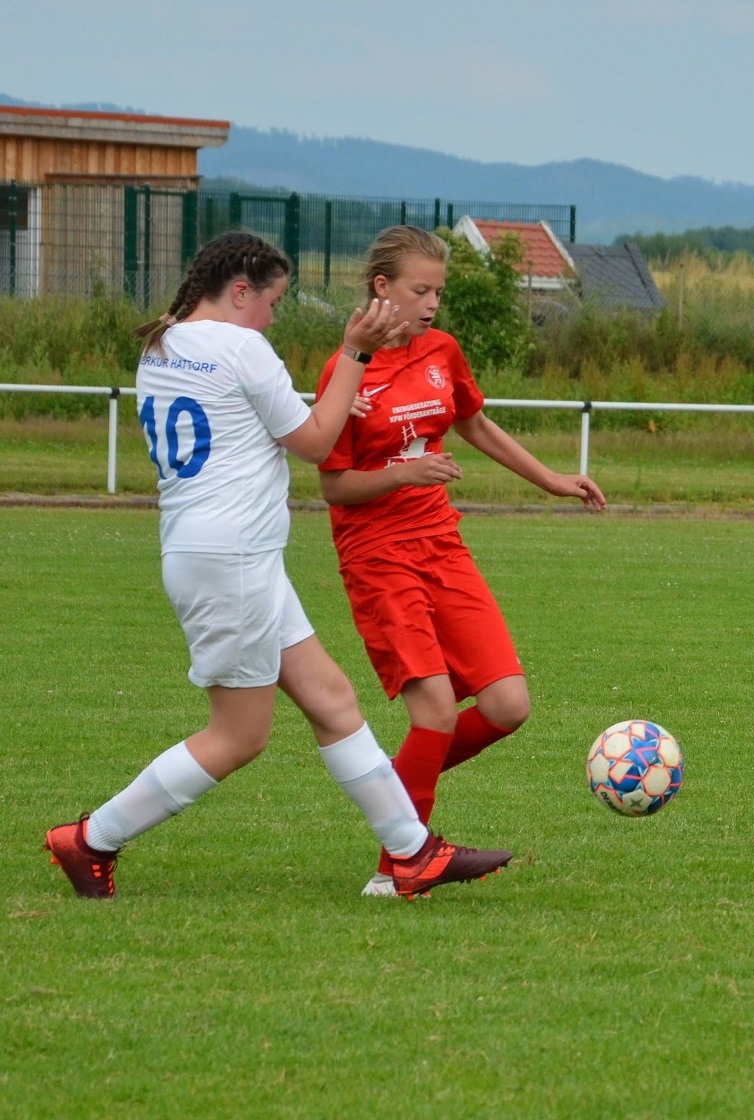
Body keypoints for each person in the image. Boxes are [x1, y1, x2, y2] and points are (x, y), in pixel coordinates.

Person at [44, 231, 511, 901]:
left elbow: (259, 418)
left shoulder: (164, 344)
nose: (271, 317)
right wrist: (356, 353)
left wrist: (335, 395)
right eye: (271, 302)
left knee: (333, 703)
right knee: (238, 736)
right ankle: (91, 838)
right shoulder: (242, 348)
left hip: (217, 554)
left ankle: (411, 855)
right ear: (240, 291)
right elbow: (317, 444)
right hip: (232, 558)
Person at [315, 225, 607, 897]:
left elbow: (474, 422)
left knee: (508, 704)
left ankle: (396, 786)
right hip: (378, 556)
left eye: (438, 293)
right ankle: (399, 868)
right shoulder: (346, 369)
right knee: (438, 713)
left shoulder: (443, 350)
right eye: (420, 290)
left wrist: (552, 479)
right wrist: (403, 473)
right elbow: (333, 487)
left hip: (441, 544)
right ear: (382, 287)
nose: (432, 304)